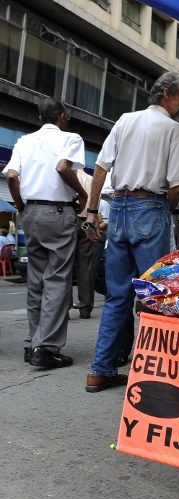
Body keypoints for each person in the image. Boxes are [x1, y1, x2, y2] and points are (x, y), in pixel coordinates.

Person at [83, 71, 179, 392]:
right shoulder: (173, 129)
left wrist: (93, 211)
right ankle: (153, 373)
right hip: (150, 207)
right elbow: (177, 187)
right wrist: (164, 208)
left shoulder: (125, 120)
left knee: (118, 295)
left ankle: (100, 369)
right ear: (167, 95)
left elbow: (101, 166)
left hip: (118, 209)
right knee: (156, 295)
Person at [3, 98, 88, 369]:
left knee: (36, 280)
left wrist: (20, 206)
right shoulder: (71, 138)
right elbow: (63, 167)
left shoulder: (24, 141)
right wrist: (83, 194)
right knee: (58, 280)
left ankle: (32, 341)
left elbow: (13, 176)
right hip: (59, 213)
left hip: (31, 213)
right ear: (62, 117)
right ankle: (47, 347)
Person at [72, 168, 96, 319]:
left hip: (69, 221)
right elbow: (95, 203)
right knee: (85, 266)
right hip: (88, 222)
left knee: (64, 265)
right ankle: (85, 308)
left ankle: (64, 307)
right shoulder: (91, 179)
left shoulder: (68, 177)